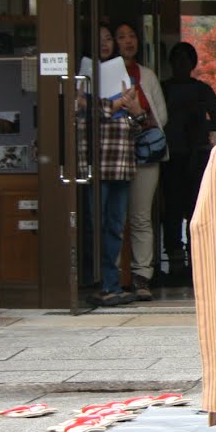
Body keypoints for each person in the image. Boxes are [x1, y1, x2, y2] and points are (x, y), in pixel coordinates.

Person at [159, 41, 216, 283]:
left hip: (197, 156)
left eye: (185, 60)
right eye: (177, 60)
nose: (181, 64)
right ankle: (175, 262)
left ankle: (196, 261)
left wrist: (198, 126)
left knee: (195, 209)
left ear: (193, 63)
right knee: (172, 210)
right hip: (170, 156)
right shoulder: (163, 88)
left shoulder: (202, 90)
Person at [115, 20, 167, 301]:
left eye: (132, 35)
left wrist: (137, 112)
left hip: (145, 154)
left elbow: (162, 116)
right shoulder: (103, 73)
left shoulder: (147, 75)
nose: (128, 41)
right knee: (113, 216)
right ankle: (113, 275)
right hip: (113, 152)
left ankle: (141, 275)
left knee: (140, 216)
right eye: (121, 37)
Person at [89, 23, 136, 308]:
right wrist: (116, 105)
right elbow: (82, 107)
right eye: (100, 39)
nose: (105, 43)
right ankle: (98, 283)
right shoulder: (83, 74)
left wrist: (130, 107)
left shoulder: (123, 73)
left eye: (108, 39)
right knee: (96, 224)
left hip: (122, 160)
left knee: (116, 226)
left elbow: (135, 114)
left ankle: (111, 284)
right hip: (96, 162)